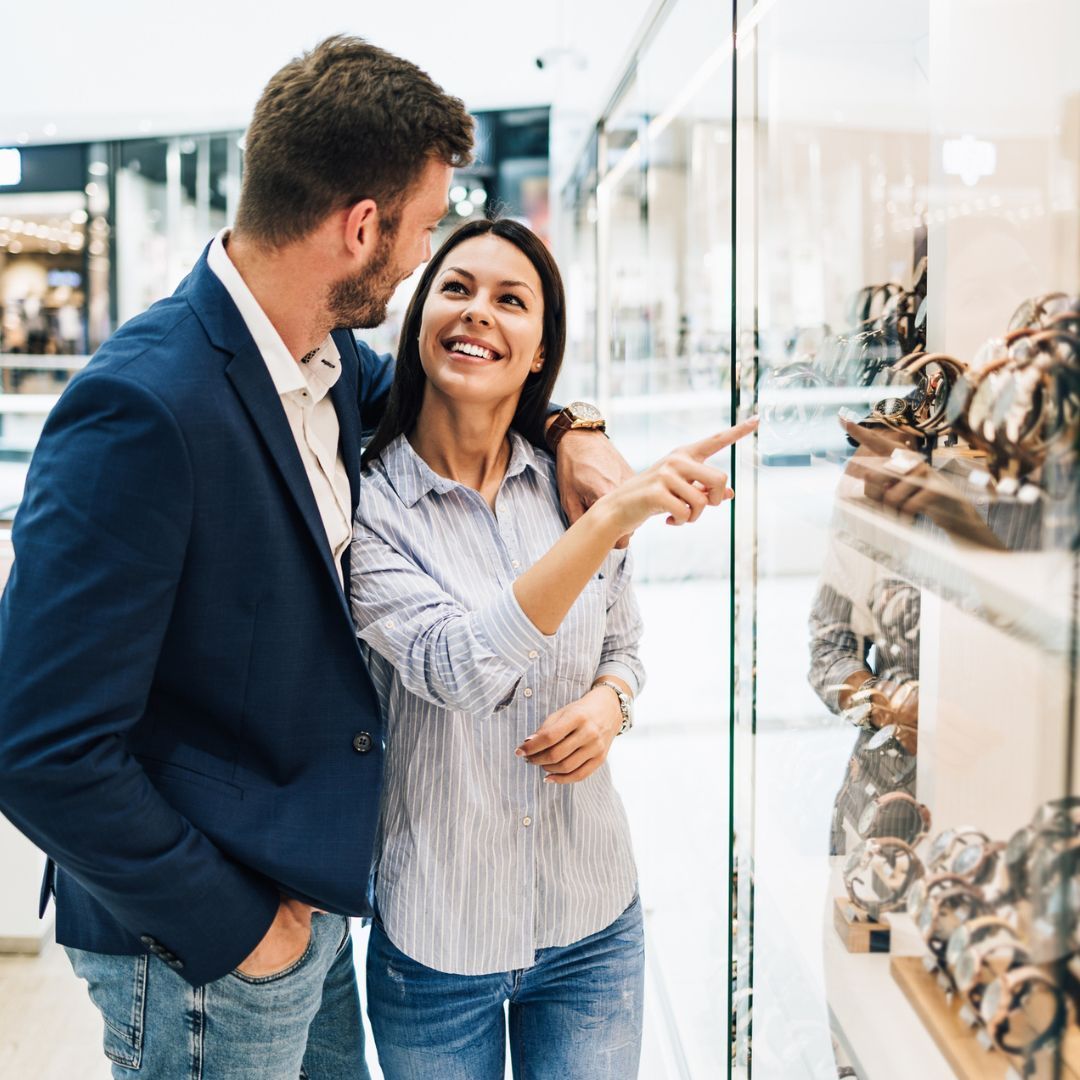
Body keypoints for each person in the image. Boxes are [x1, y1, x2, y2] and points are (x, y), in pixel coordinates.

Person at [0, 37, 632, 1080]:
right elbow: (36, 744)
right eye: (426, 231)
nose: (425, 257)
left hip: (312, 893)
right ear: (361, 228)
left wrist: (574, 429)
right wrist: (241, 928)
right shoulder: (143, 407)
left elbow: (455, 392)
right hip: (206, 941)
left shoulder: (325, 362)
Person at [351, 216, 756, 1079]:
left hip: (592, 925)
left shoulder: (571, 481)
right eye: (455, 289)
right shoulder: (371, 506)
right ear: (420, 320)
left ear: (540, 351)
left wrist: (613, 705)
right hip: (437, 942)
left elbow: (627, 649)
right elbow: (458, 668)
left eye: (511, 299)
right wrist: (612, 518)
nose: (478, 314)